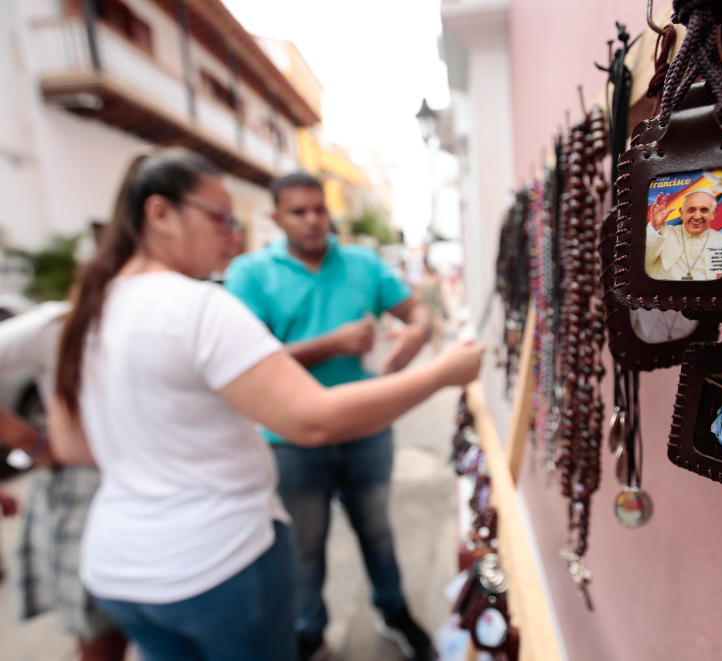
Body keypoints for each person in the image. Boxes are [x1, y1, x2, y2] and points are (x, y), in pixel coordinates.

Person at [51, 149, 483, 661]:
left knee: (373, 536)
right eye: (218, 217)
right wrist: (440, 374)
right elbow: (311, 420)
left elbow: (71, 445)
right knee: (306, 557)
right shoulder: (199, 305)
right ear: (160, 214)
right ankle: (316, 629)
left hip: (122, 570)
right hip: (215, 565)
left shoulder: (91, 307)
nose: (231, 232)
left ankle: (385, 615)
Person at [225, 172, 441, 661]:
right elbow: (244, 362)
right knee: (304, 546)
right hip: (292, 438)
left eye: (319, 209)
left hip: (365, 426)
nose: (312, 220)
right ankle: (309, 630)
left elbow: (418, 313)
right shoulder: (250, 273)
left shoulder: (363, 263)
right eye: (298, 211)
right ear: (276, 217)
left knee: (378, 531)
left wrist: (418, 333)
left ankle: (394, 611)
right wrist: (333, 344)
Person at [0, 294, 128, 659]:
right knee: (99, 625)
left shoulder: (182, 316)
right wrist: (28, 440)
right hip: (84, 487)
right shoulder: (61, 324)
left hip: (157, 484)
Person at [645, 190, 722, 280]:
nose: (697, 216)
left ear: (713, 214)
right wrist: (655, 226)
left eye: (704, 210)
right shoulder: (662, 234)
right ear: (682, 213)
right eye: (691, 210)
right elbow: (645, 260)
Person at [417, 259, 448, 354]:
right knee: (434, 330)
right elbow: (419, 297)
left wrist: (445, 305)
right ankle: (435, 350)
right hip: (428, 309)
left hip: (436, 307)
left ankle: (439, 349)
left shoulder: (435, 279)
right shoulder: (422, 282)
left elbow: (441, 292)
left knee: (440, 329)